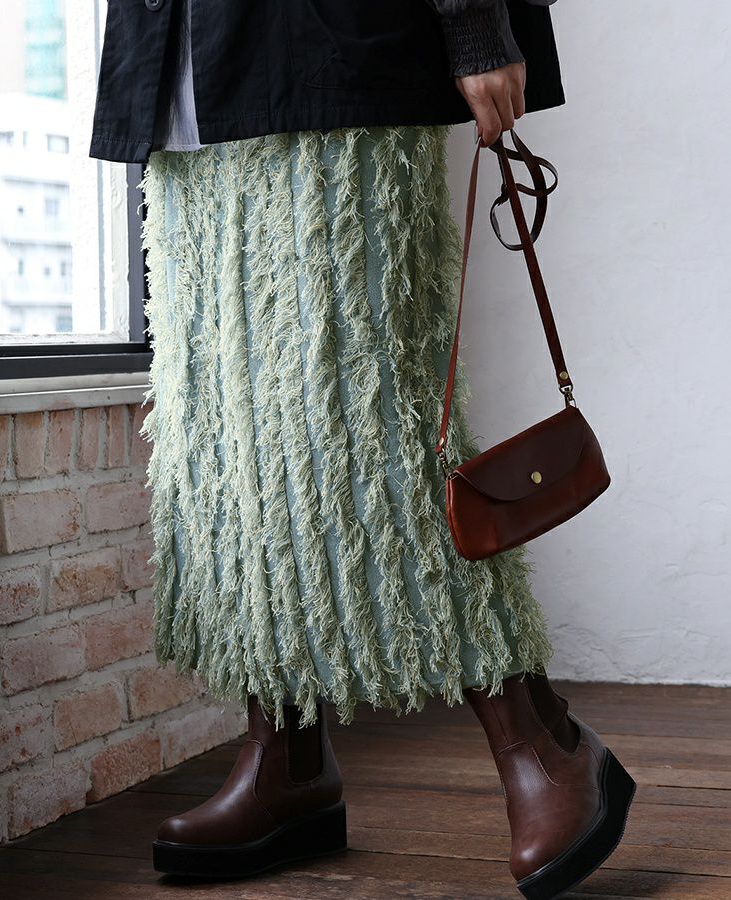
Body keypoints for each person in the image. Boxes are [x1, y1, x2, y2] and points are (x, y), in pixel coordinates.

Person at [88, 2, 635, 897]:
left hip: (327, 46)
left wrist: (474, 24)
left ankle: (542, 738)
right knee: (228, 438)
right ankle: (287, 758)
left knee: (373, 424)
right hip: (177, 77)